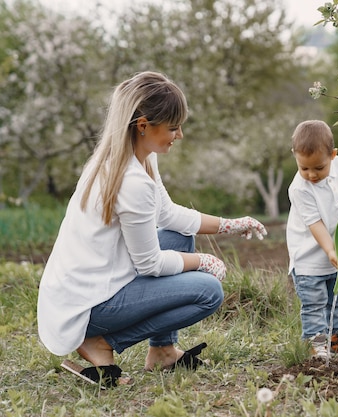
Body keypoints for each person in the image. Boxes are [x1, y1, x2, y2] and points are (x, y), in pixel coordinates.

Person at [37, 71, 267, 388]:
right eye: (173, 127)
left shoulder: (135, 156)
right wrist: (203, 261)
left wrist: (230, 225)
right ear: (143, 125)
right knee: (208, 291)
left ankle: (162, 349)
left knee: (180, 237)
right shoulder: (131, 181)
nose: (180, 135)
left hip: (88, 285)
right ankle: (102, 342)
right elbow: (150, 264)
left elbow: (169, 215)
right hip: (86, 305)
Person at [286, 120, 338, 358]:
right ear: (295, 157)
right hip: (309, 259)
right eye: (304, 168)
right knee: (314, 305)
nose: (311, 174)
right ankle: (315, 343)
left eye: (319, 168)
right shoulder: (299, 189)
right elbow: (316, 225)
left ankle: (337, 339)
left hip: (335, 253)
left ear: (333, 155)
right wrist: (330, 250)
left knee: (336, 300)